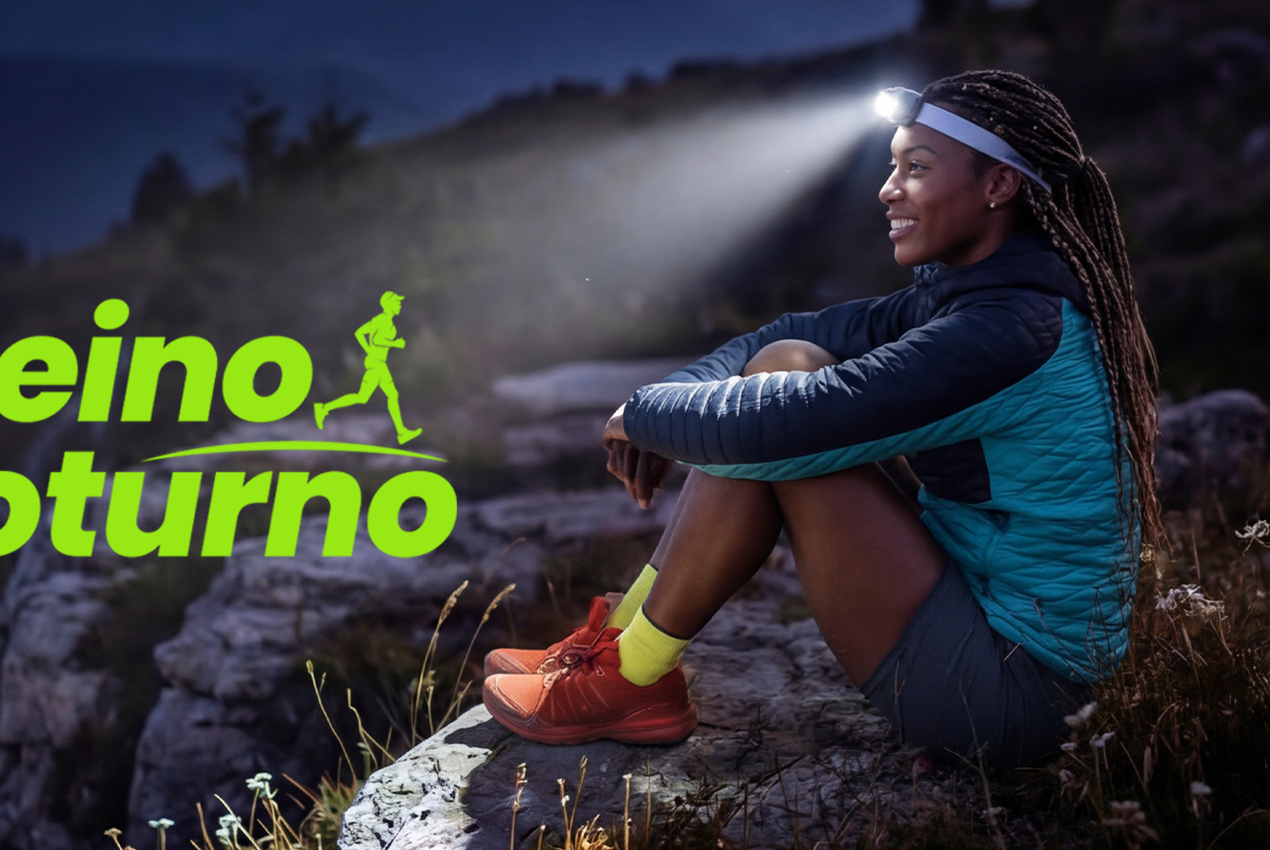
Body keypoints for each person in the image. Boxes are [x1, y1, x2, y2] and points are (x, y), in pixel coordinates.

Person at [479, 70, 1164, 768]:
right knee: (786, 358)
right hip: (982, 618)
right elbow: (784, 335)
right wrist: (663, 399)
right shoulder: (974, 297)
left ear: (998, 186)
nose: (888, 189)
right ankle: (625, 648)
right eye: (893, 166)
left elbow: (774, 425)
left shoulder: (1008, 329)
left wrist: (645, 415)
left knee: (775, 419)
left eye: (916, 169)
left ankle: (632, 675)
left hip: (1018, 698)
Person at [314, 290, 423, 444]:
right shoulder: (383, 321)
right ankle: (324, 408)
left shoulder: (382, 320)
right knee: (377, 396)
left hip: (377, 362)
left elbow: (360, 333)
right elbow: (377, 340)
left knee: (376, 396)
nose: (399, 304)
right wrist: (394, 343)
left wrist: (368, 350)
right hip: (376, 363)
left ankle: (401, 433)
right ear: (388, 305)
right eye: (396, 302)